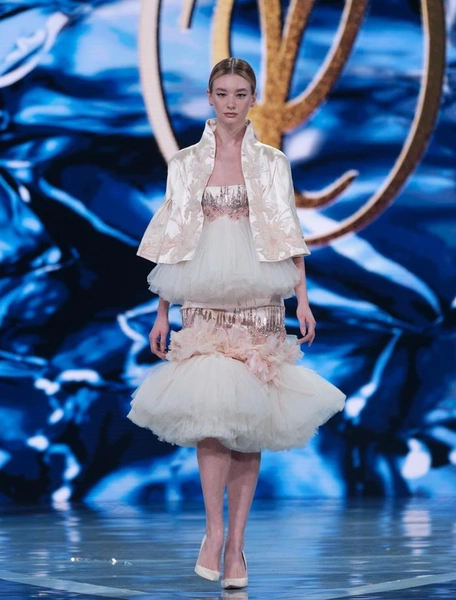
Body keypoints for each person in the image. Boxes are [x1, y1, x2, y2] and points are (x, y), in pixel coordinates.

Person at [128, 57, 345, 589]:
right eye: (222, 93)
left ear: (253, 99)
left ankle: (236, 549)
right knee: (211, 413)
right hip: (203, 296)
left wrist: (303, 301)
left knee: (249, 422)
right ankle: (213, 531)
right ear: (209, 97)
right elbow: (173, 237)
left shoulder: (272, 163)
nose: (230, 103)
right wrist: (161, 312)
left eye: (240, 93)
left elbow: (288, 233)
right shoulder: (185, 163)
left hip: (259, 297)